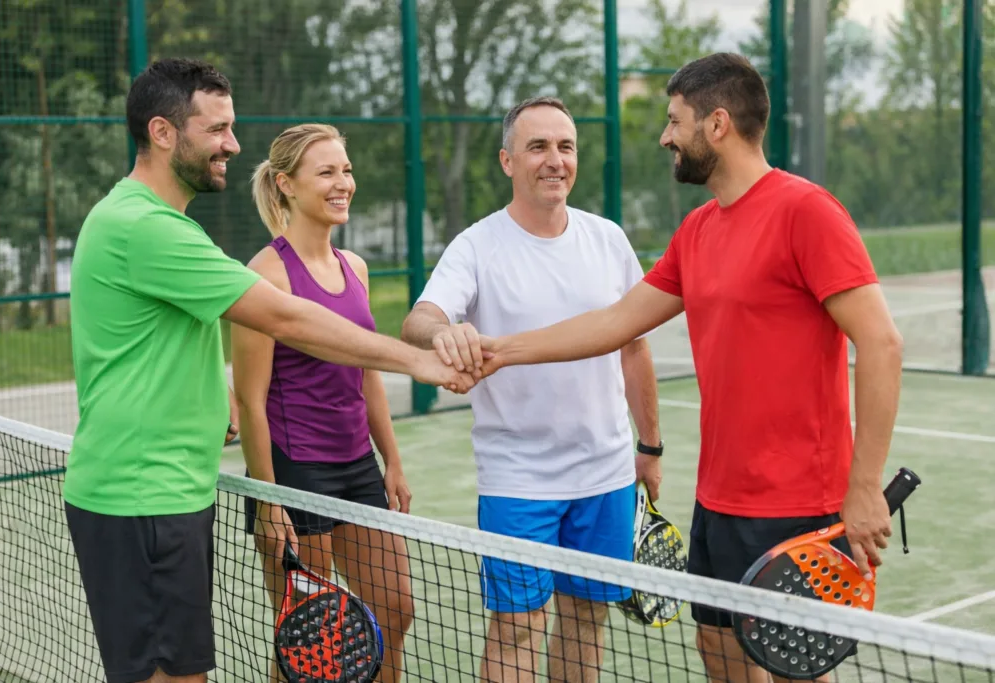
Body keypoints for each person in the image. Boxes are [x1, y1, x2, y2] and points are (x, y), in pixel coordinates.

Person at [474, 53, 904, 683]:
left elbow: (882, 344)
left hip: (797, 501)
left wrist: (864, 487)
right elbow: (614, 323)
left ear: (718, 124)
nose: (665, 136)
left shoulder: (806, 212)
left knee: (791, 670)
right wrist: (498, 352)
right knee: (719, 652)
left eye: (675, 121)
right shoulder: (698, 230)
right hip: (718, 497)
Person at [63, 58, 476, 683]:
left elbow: (162, 341)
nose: (232, 143)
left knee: (181, 672)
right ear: (163, 132)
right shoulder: (145, 228)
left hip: (166, 492)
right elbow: (288, 320)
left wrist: (216, 399)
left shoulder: (150, 223)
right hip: (140, 499)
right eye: (218, 129)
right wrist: (419, 358)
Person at [400, 96, 663, 683]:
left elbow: (634, 347)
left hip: (607, 474)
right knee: (517, 628)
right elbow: (418, 321)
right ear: (507, 161)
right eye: (538, 147)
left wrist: (650, 447)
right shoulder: (476, 245)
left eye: (565, 146)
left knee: (586, 621)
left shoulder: (609, 239)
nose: (555, 160)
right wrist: (448, 331)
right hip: (519, 481)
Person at [231, 123, 414, 683]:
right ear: (286, 184)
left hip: (358, 467)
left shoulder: (354, 267)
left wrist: (393, 460)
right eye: (327, 172)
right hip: (295, 472)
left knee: (395, 611)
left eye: (347, 170)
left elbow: (368, 375)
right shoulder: (263, 275)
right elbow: (250, 398)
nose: (343, 183)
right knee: (312, 637)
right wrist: (268, 498)